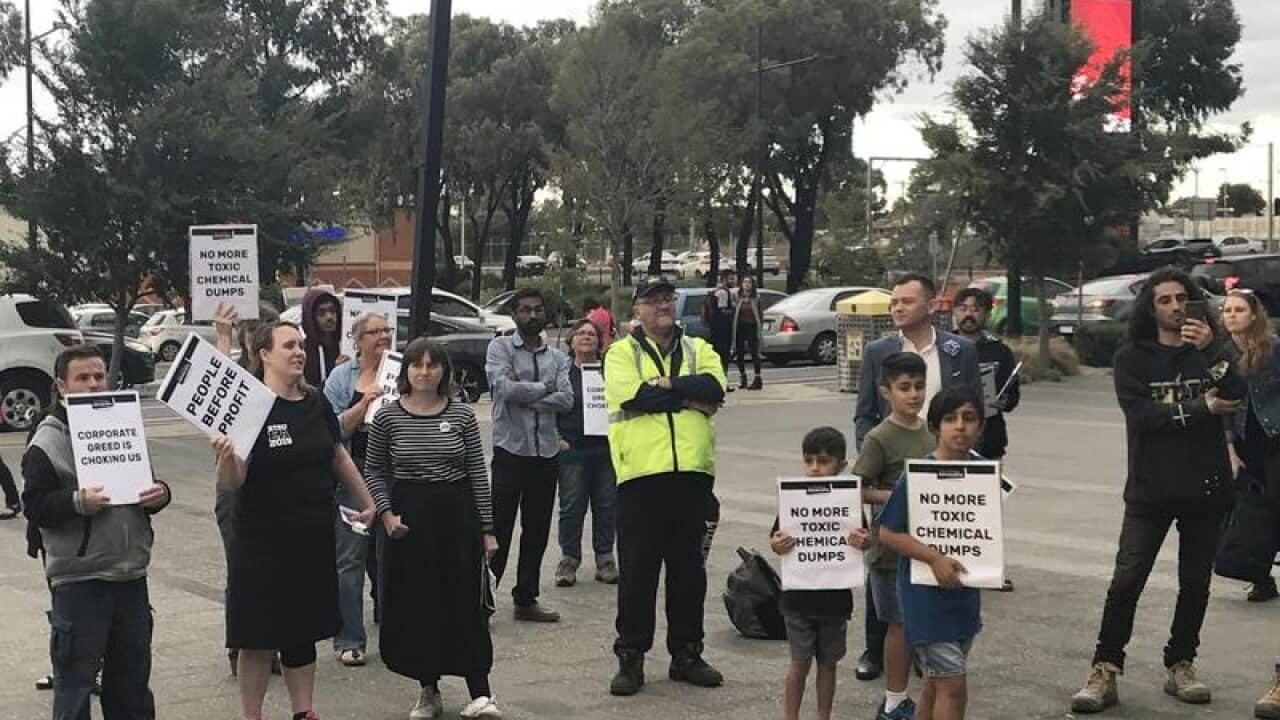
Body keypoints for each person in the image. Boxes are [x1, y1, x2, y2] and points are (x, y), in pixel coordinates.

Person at [1070, 267, 1246, 714]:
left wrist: (1211, 346)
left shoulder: (1210, 351)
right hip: (1150, 489)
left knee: (1194, 583)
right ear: (1150, 308)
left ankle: (1181, 663)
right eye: (1163, 300)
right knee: (1127, 580)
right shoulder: (1132, 358)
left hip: (1206, 488)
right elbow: (1141, 416)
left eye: (1180, 299)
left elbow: (1237, 390)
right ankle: (1105, 667)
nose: (1173, 308)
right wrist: (1200, 407)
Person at [212, 321, 376, 720]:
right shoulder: (250, 406)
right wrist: (226, 459)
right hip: (261, 542)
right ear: (264, 354)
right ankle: (253, 715)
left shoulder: (315, 402)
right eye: (289, 345)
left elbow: (337, 453)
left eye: (301, 345)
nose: (299, 352)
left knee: (302, 633)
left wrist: (367, 501)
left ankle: (304, 711)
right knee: (257, 637)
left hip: (312, 536)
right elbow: (234, 482)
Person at [22, 343, 173, 720]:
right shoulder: (46, 439)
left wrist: (161, 494)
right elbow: (35, 506)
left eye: (99, 376)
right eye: (82, 378)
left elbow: (145, 485)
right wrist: (77, 502)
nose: (93, 384)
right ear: (61, 386)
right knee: (75, 688)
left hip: (130, 574)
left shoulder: (123, 425)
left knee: (131, 689)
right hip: (80, 580)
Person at [364, 338, 502, 720]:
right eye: (417, 365)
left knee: (465, 601)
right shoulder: (387, 416)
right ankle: (429, 689)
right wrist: (386, 514)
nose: (424, 372)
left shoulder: (460, 416)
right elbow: (374, 469)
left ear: (444, 371)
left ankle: (481, 692)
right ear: (406, 371)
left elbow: (477, 471)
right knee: (418, 603)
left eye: (432, 365)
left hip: (456, 516)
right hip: (409, 519)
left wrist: (487, 528)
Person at [853, 273, 982, 681]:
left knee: (930, 574)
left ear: (931, 304)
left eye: (907, 301)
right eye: (894, 301)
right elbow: (864, 410)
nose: (897, 307)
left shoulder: (958, 349)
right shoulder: (879, 351)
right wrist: (874, 450)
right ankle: (877, 656)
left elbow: (975, 406)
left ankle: (930, 654)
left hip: (944, 476)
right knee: (888, 586)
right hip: (895, 470)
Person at [605, 278, 726, 697]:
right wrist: (691, 399)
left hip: (692, 475)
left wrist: (671, 385)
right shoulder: (622, 352)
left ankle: (687, 653)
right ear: (636, 310)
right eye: (652, 301)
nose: (662, 306)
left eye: (667, 299)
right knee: (637, 573)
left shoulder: (698, 347)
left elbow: (715, 389)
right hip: (641, 477)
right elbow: (634, 398)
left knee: (688, 572)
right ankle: (631, 657)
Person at [878, 387, 990, 720]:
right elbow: (887, 532)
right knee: (953, 688)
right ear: (935, 427)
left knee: (934, 683)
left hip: (964, 595)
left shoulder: (984, 471)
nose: (960, 427)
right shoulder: (917, 475)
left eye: (969, 419)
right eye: (950, 419)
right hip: (923, 597)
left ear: (980, 426)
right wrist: (934, 558)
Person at [769, 427, 870, 720]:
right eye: (809, 461)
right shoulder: (795, 499)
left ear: (841, 465)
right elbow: (777, 539)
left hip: (835, 600)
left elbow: (863, 538)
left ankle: (823, 715)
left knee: (828, 664)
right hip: (798, 599)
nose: (814, 468)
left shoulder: (849, 502)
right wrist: (778, 544)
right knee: (798, 664)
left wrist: (864, 541)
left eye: (823, 461)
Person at [484, 288, 573, 622]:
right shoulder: (499, 347)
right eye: (524, 310)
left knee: (536, 529)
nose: (532, 315)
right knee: (499, 530)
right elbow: (503, 389)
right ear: (514, 315)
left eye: (537, 309)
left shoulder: (558, 356)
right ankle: (484, 597)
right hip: (511, 452)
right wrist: (544, 390)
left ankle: (526, 598)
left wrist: (528, 393)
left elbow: (567, 399)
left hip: (546, 454)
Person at [856, 352, 936, 720]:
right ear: (886, 391)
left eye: (919, 386)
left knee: (922, 623)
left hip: (926, 545)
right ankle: (893, 699)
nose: (914, 395)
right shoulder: (879, 438)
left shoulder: (930, 431)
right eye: (904, 388)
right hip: (889, 552)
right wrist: (901, 496)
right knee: (898, 626)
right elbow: (858, 488)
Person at [213, 302, 282, 677]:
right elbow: (220, 380)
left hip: (275, 487)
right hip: (236, 488)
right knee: (241, 571)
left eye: (266, 325)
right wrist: (221, 336)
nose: (258, 332)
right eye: (252, 327)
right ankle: (240, 645)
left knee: (274, 570)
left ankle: (270, 644)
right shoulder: (240, 372)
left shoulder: (281, 374)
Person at [323, 313, 394, 667]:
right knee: (349, 560)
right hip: (353, 477)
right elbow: (330, 430)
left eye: (387, 330)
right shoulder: (340, 377)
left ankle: (395, 626)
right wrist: (363, 404)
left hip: (394, 475)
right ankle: (350, 637)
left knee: (392, 555)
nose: (383, 336)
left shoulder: (402, 370)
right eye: (374, 331)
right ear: (357, 340)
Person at [951, 287, 1020, 593]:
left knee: (986, 508)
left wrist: (1005, 400)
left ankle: (989, 569)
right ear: (954, 312)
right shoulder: (945, 347)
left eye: (976, 308)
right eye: (963, 308)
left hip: (989, 437)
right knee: (951, 506)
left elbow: (1013, 395)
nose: (969, 313)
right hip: (949, 440)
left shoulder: (999, 351)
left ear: (987, 313)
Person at [1220, 289, 1280, 605]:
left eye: (1239, 309)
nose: (1231, 315)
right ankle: (1261, 577)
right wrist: (1229, 449)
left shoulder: (1274, 349)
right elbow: (1224, 406)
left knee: (1274, 504)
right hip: (1243, 443)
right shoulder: (1221, 355)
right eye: (1227, 310)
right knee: (1247, 514)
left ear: (1254, 315)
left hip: (1275, 439)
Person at [554, 319, 619, 588]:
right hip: (572, 450)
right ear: (571, 341)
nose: (586, 338)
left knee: (607, 506)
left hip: (605, 449)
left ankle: (605, 559)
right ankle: (569, 560)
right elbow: (549, 408)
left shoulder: (610, 372)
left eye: (591, 334)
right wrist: (556, 438)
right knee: (571, 507)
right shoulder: (562, 373)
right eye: (580, 333)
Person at [301, 288, 343, 387]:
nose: (329, 317)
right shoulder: (303, 352)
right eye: (322, 313)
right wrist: (336, 374)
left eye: (332, 311)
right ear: (311, 318)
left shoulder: (346, 345)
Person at [732, 275, 764, 391]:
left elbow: (760, 314)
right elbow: (734, 312)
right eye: (745, 282)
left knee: (754, 352)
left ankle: (757, 378)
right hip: (740, 327)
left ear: (752, 285)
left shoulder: (756, 298)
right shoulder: (737, 297)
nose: (746, 285)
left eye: (749, 282)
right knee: (739, 352)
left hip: (752, 326)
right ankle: (743, 377)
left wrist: (760, 326)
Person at [707, 269, 736, 382]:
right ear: (724, 279)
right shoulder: (723, 292)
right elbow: (722, 310)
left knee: (719, 355)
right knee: (723, 355)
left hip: (716, 329)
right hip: (722, 330)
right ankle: (723, 380)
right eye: (731, 279)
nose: (734, 281)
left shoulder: (716, 291)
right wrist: (733, 308)